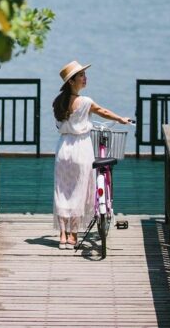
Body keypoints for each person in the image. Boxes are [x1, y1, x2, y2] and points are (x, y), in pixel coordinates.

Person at [52, 59, 132, 249]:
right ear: (71, 81)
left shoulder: (58, 102)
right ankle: (72, 235)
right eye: (81, 75)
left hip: (63, 148)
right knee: (79, 190)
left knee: (62, 190)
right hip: (81, 147)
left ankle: (62, 235)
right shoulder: (85, 102)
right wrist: (121, 119)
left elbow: (59, 125)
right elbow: (102, 111)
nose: (85, 78)